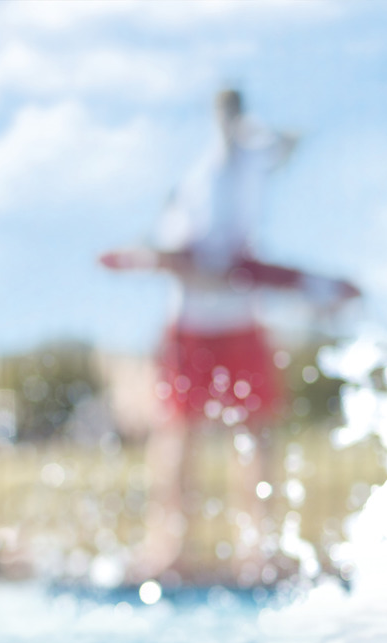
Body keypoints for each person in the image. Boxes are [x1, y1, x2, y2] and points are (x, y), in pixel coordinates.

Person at [101, 89, 359, 584]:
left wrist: (309, 286)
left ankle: (258, 548)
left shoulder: (253, 164)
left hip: (242, 323)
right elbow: (179, 262)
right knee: (179, 433)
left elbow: (287, 144)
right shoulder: (199, 185)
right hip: (193, 329)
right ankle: (168, 545)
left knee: (256, 432)